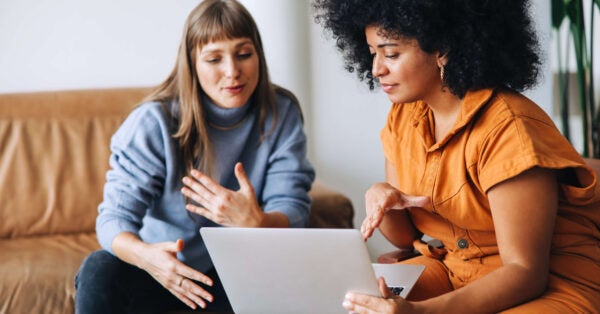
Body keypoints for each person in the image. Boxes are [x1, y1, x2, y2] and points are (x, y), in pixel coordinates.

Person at [314, 0, 600, 313]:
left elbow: (525, 272)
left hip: (550, 284)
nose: (376, 69)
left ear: (443, 49)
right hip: (455, 269)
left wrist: (422, 311)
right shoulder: (403, 116)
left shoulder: (509, 128)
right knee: (351, 305)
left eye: (391, 53)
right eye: (373, 53)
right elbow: (405, 237)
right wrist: (381, 196)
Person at [75, 0, 315, 312]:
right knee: (99, 268)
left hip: (238, 274)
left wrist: (258, 222)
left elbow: (293, 207)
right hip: (163, 273)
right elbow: (113, 220)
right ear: (192, 64)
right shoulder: (154, 122)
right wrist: (148, 259)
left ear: (258, 55)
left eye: (244, 54)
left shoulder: (281, 112)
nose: (232, 72)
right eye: (214, 59)